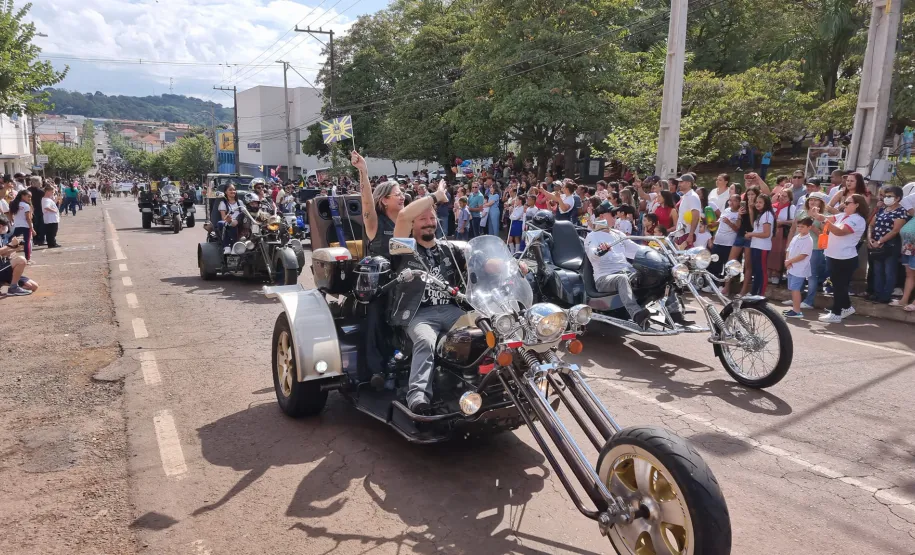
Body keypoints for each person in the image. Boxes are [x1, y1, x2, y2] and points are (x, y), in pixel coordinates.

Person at [390, 192, 464, 415]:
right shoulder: (403, 249)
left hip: (451, 310)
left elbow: (479, 264)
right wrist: (435, 196)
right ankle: (418, 397)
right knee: (425, 341)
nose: (429, 222)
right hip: (418, 313)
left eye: (432, 218)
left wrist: (505, 265)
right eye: (422, 219)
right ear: (412, 224)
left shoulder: (449, 249)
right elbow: (403, 216)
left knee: (486, 328)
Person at [585, 205, 692, 328]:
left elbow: (636, 249)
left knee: (663, 273)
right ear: (601, 217)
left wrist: (656, 251)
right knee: (621, 279)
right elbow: (592, 253)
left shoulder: (617, 234)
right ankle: (636, 314)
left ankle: (674, 314)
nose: (615, 217)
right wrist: (599, 250)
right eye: (612, 215)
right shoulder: (592, 236)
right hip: (604, 278)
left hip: (626, 271)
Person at [811, 194, 869, 323]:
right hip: (834, 255)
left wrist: (824, 221)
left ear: (857, 205)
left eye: (848, 202)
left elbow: (839, 232)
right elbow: (824, 218)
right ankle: (847, 308)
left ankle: (836, 313)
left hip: (844, 258)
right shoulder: (842, 215)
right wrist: (816, 214)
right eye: (844, 202)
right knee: (838, 285)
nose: (844, 204)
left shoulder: (857, 219)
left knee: (839, 286)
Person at [353, 152, 403, 258]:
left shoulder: (408, 220)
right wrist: (363, 170)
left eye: (402, 194)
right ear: (384, 200)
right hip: (382, 268)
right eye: (397, 195)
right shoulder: (375, 223)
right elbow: (367, 203)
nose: (402, 197)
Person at [868, 186, 908, 304]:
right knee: (878, 271)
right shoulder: (882, 210)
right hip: (876, 245)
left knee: (889, 271)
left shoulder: (901, 211)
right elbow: (871, 225)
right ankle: (877, 294)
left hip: (891, 245)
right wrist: (870, 238)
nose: (886, 198)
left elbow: (895, 230)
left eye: (889, 196)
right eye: (885, 196)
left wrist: (880, 241)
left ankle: (885, 296)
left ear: (898, 198)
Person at [794, 192, 828, 309]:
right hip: (799, 247)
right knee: (798, 273)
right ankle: (797, 298)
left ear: (821, 203)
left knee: (812, 275)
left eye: (816, 200)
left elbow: (823, 234)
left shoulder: (824, 216)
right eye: (811, 199)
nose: (812, 202)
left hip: (814, 248)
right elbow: (794, 230)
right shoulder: (801, 213)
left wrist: (812, 225)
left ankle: (809, 302)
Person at [782, 217, 814, 318]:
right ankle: (794, 309)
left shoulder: (808, 240)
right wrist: (787, 261)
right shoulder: (796, 237)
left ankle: (797, 311)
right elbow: (788, 250)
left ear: (809, 227)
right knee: (793, 289)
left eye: (802, 227)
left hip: (800, 269)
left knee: (796, 289)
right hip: (791, 267)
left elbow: (803, 255)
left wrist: (789, 261)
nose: (799, 228)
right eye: (798, 226)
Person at [744, 193, 774, 296]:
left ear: (766, 203)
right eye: (756, 202)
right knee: (756, 270)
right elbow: (755, 227)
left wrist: (751, 234)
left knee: (762, 270)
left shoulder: (767, 215)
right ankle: (754, 293)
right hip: (756, 245)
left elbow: (766, 234)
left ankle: (761, 294)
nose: (757, 204)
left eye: (760, 202)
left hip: (762, 247)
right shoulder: (761, 214)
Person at [0, 215, 37, 296]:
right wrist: (10, 245)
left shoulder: (1, 237)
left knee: (33, 286)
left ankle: (4, 285)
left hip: (2, 268)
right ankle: (13, 288)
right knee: (21, 260)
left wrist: (15, 248)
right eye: (6, 225)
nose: (7, 228)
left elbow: (3, 254)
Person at [768, 189, 796, 284]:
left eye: (785, 196)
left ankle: (776, 274)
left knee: (779, 253)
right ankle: (768, 273)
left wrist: (783, 222)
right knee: (770, 253)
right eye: (781, 195)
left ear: (789, 198)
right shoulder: (773, 206)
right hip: (772, 233)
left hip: (782, 233)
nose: (782, 198)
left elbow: (794, 221)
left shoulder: (791, 208)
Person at [711, 194, 740, 278]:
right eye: (730, 200)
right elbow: (720, 220)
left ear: (739, 202)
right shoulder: (726, 210)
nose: (731, 202)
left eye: (734, 201)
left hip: (728, 244)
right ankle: (714, 281)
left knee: (727, 265)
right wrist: (714, 224)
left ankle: (725, 283)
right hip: (718, 241)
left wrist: (729, 223)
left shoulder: (739, 214)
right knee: (715, 263)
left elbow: (737, 229)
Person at [675, 175, 701, 246]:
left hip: (687, 234)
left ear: (689, 183)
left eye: (681, 182)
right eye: (679, 182)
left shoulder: (693, 196)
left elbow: (696, 217)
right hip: (681, 233)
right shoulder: (685, 196)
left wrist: (691, 235)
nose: (679, 184)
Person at [9, 190, 34, 263]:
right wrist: (32, 229)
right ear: (22, 196)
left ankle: (9, 256)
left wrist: (12, 221)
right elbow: (28, 218)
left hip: (16, 225)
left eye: (30, 197)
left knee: (12, 241)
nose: (29, 198)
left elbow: (10, 213)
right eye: (28, 196)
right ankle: (28, 259)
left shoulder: (14, 204)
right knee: (27, 242)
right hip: (26, 226)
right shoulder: (26, 206)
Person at [216, 184, 242, 254]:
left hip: (239, 221)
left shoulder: (240, 202)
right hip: (228, 222)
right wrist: (230, 220)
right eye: (230, 190)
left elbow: (244, 213)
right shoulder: (223, 203)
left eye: (234, 190)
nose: (233, 191)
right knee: (221, 223)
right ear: (226, 192)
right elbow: (223, 218)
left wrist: (237, 220)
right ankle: (227, 246)